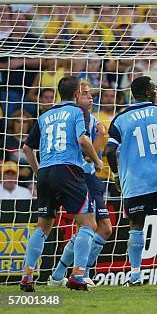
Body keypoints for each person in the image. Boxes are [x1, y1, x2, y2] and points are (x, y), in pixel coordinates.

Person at [104, 76, 157, 286]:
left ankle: (135, 276)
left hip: (135, 183)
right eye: (154, 88)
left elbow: (109, 151)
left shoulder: (121, 119)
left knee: (136, 226)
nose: (156, 91)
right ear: (148, 92)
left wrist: (116, 174)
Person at [20, 76, 103, 292]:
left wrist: (39, 172)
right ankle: (78, 275)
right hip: (68, 169)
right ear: (76, 94)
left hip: (46, 172)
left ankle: (27, 276)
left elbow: (27, 148)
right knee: (88, 224)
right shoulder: (79, 112)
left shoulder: (44, 115)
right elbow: (83, 140)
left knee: (43, 226)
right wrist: (97, 160)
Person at [48, 82, 112, 287]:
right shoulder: (78, 119)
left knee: (97, 228)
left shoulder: (90, 118)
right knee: (99, 227)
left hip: (91, 178)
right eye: (85, 95)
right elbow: (84, 155)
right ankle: (78, 273)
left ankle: (60, 275)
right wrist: (101, 137)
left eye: (91, 95)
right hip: (83, 177)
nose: (90, 98)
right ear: (76, 97)